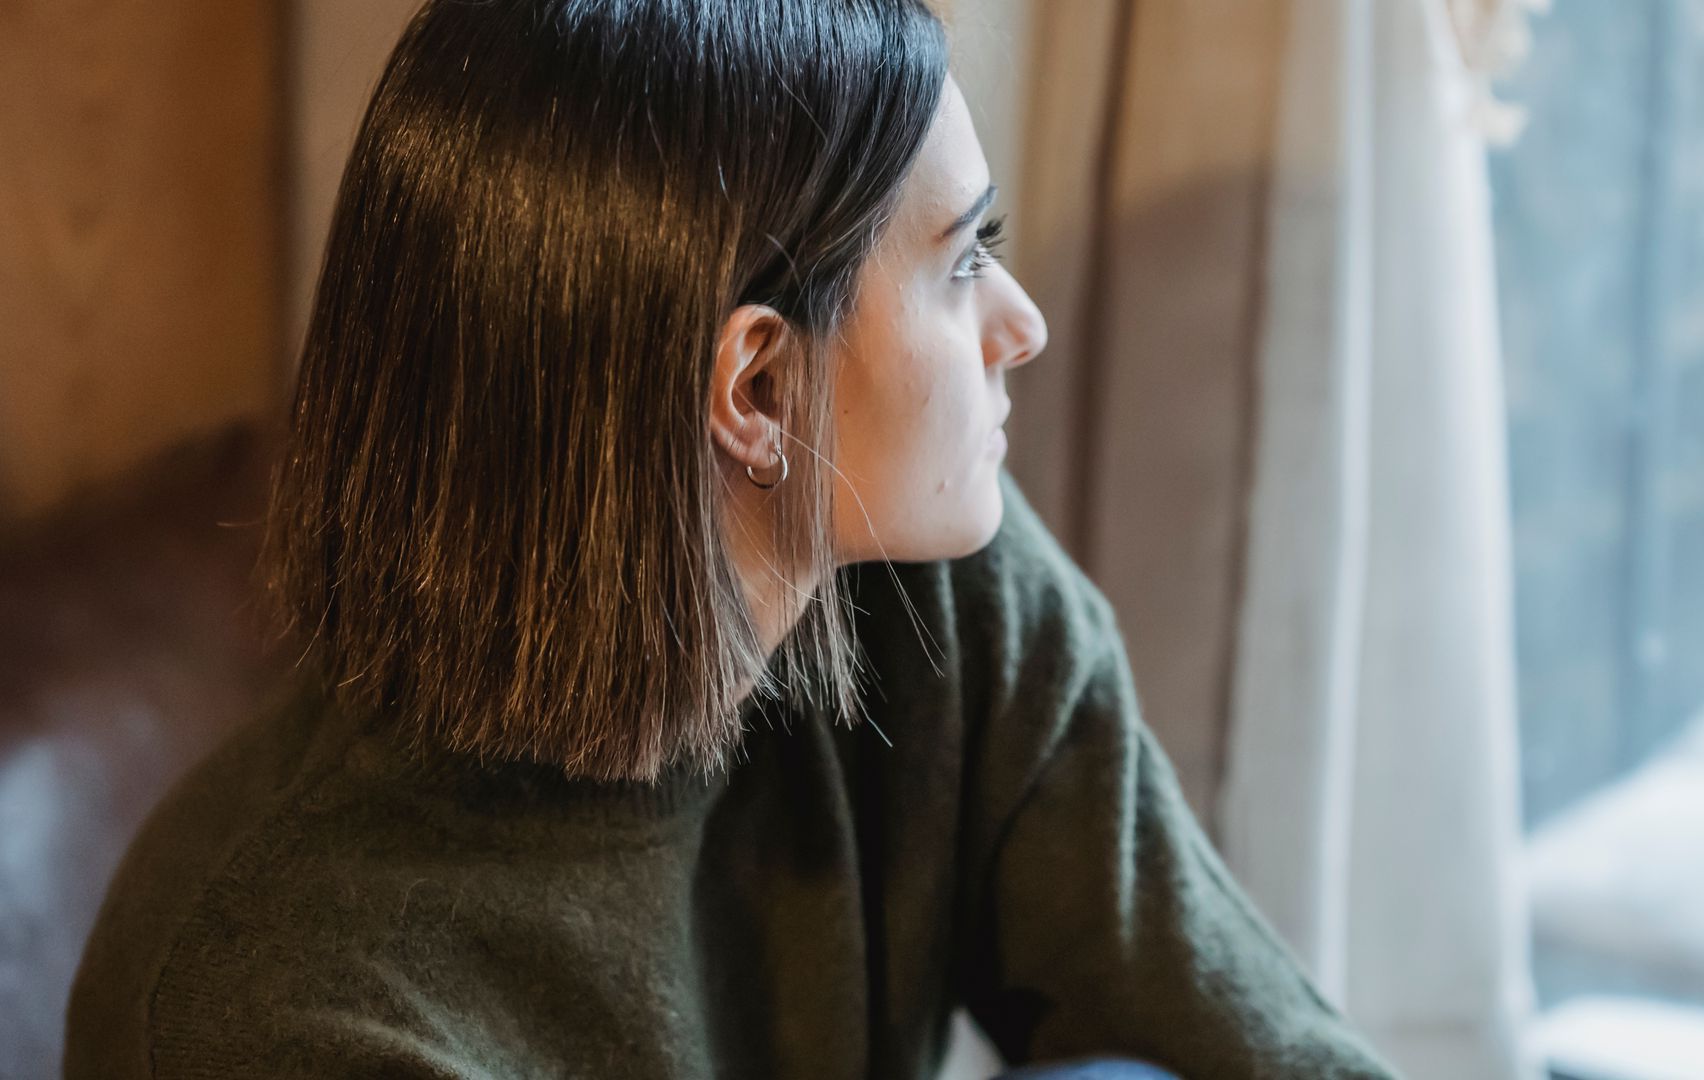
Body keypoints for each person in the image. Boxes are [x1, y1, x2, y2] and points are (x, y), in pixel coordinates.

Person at [64, 2, 1399, 1077]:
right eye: (959, 259)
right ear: (758, 391)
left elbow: (1254, 1046)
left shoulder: (924, 594)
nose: (1022, 322)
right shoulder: (279, 1012)